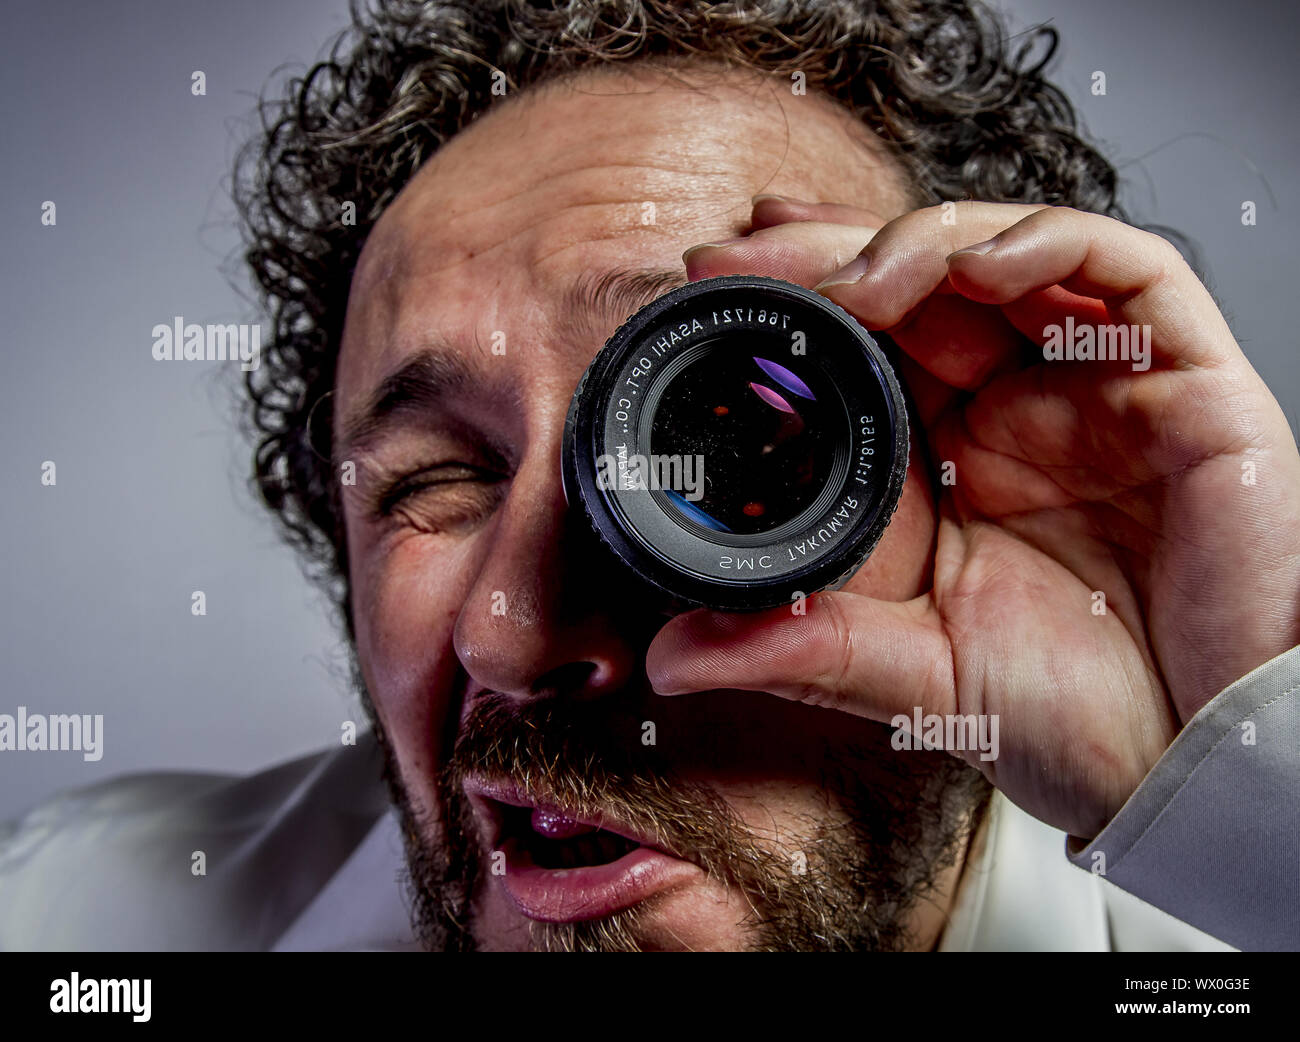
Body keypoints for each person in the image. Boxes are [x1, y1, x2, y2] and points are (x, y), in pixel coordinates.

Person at [3, 0, 1296, 952]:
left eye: (739, 441)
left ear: (991, 486)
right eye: (435, 480)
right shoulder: (79, 924)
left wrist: (1245, 767)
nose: (512, 634)